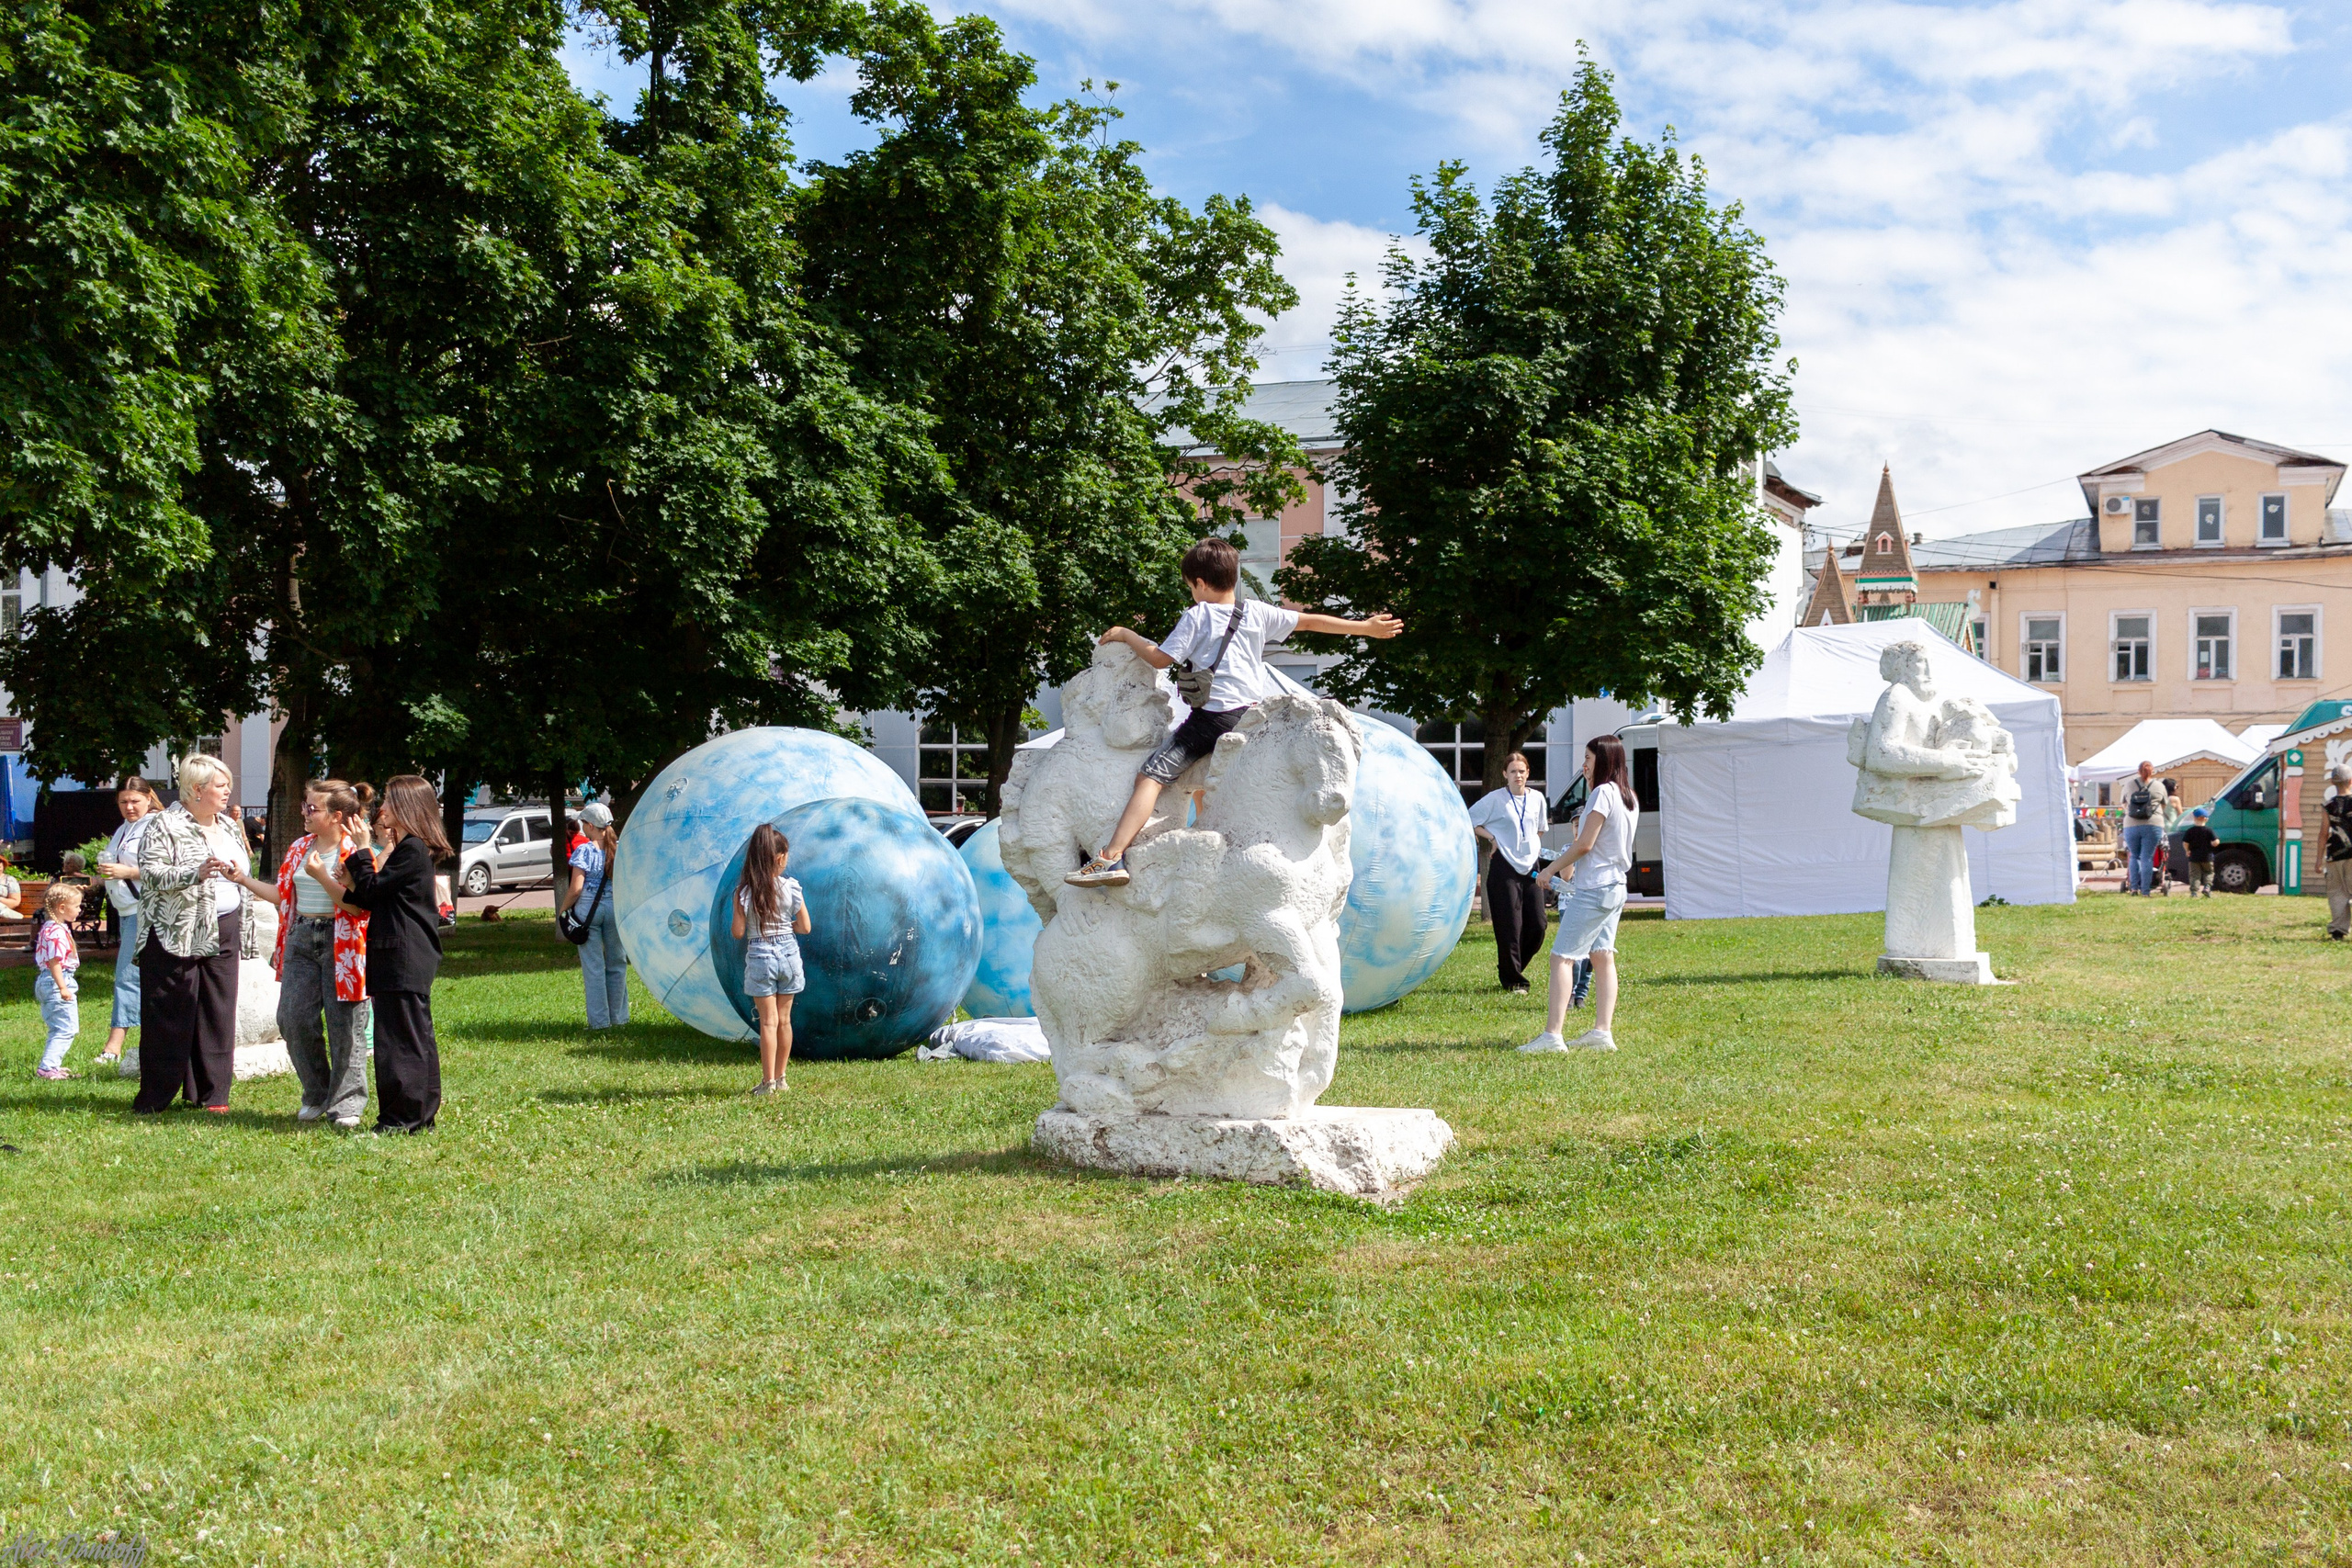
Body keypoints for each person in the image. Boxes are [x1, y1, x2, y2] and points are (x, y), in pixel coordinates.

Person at [1067, 537, 1404, 886]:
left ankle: (1109, 857)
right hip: (1249, 719)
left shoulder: (1198, 615)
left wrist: (1126, 633)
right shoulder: (1256, 611)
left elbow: (1159, 658)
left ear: (1199, 583)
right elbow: (1309, 622)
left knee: (1150, 776)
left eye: (1190, 588)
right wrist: (1365, 628)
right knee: (1204, 779)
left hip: (1211, 719)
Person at [236, 779, 376, 1128]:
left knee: (346, 1025)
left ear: (336, 815)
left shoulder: (355, 851)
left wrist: (320, 874)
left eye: (312, 808)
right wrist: (242, 879)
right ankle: (317, 1093)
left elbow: (357, 908)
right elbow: (284, 897)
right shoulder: (299, 848)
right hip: (300, 936)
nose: (304, 812)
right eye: (305, 805)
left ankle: (347, 1104)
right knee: (292, 1018)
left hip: (342, 942)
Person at [131, 753, 257, 1115]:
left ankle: (213, 1094)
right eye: (221, 786)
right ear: (197, 789)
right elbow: (152, 874)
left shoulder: (230, 826)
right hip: (176, 929)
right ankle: (156, 1096)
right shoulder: (163, 824)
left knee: (219, 1010)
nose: (228, 791)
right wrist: (195, 873)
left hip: (226, 923)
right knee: (169, 1011)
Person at [331, 775, 448, 1132]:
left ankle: (402, 1118)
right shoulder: (412, 847)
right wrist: (354, 878)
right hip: (406, 952)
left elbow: (373, 889)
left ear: (408, 807)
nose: (382, 808)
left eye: (389, 801)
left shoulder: (412, 848)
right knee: (414, 1036)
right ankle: (419, 1116)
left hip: (402, 953)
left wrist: (363, 851)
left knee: (398, 1040)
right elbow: (371, 894)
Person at [1520, 735, 1639, 1055]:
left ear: (1604, 760)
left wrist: (1549, 870)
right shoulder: (1628, 796)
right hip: (1616, 887)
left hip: (1595, 888)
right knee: (1602, 956)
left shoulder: (1602, 793)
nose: (1584, 764)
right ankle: (1602, 1032)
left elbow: (1584, 844)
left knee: (1562, 957)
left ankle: (1552, 1036)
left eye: (1588, 758)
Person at [730, 824, 809, 1093]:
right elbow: (805, 927)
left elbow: (738, 932)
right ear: (779, 858)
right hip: (789, 953)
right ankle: (782, 1078)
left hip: (760, 954)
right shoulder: (792, 888)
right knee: (785, 1020)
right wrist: (788, 929)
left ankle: (768, 1083)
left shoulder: (744, 892)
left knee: (768, 1022)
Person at [95, 774, 160, 1066]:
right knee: (134, 975)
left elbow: (170, 871)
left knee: (127, 975)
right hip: (127, 910)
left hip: (147, 910)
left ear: (148, 798)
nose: (129, 806)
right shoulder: (125, 827)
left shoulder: (157, 825)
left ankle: (114, 1046)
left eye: (135, 801)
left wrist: (126, 873)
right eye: (123, 801)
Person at [1469, 751, 1547, 992]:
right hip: (1504, 867)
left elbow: (1540, 830)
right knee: (1510, 927)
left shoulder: (1538, 799)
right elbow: (1469, 819)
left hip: (1531, 867)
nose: (1518, 776)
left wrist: (1529, 849)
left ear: (1528, 773)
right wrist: (1492, 838)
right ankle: (1514, 981)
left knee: (1537, 926)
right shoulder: (1495, 799)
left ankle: (1510, 968)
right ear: (1505, 774)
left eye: (1521, 771)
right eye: (1513, 771)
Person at [561, 803, 627, 1030]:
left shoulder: (584, 851)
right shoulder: (620, 848)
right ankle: (618, 1019)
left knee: (594, 968)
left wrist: (563, 910)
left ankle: (599, 1023)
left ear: (590, 825)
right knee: (617, 964)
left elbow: (576, 889)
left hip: (588, 911)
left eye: (583, 825)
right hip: (614, 908)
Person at [33, 884, 84, 1079]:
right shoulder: (56, 932)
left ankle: (52, 1065)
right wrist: (62, 987)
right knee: (65, 1029)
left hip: (46, 982)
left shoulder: (50, 927)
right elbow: (55, 960)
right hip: (57, 981)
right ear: (62, 908)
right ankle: (47, 1067)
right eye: (77, 906)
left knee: (59, 1027)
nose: (80, 910)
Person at [2120, 761, 2171, 897]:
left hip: (2131, 824)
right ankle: (2145, 891)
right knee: (2147, 858)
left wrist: (2130, 812)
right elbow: (2164, 804)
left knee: (2133, 856)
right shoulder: (2159, 786)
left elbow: (2123, 803)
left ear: (2138, 771)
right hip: (2153, 824)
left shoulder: (2129, 785)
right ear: (2152, 771)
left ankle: (2134, 888)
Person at [2324, 763, 2352, 941]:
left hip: (2334, 854)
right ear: (2351, 781)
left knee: (2337, 892)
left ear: (2333, 782)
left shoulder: (2329, 805)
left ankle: (2338, 931)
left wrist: (2318, 861)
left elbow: (2322, 834)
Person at [2180, 806, 2219, 899]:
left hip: (2194, 857)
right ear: (2206, 819)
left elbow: (2185, 843)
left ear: (2194, 818)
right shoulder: (2209, 830)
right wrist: (2213, 843)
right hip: (2207, 857)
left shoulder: (2190, 831)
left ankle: (2194, 892)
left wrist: (2188, 851)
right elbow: (2216, 842)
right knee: (2209, 872)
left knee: (2194, 875)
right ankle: (2207, 887)